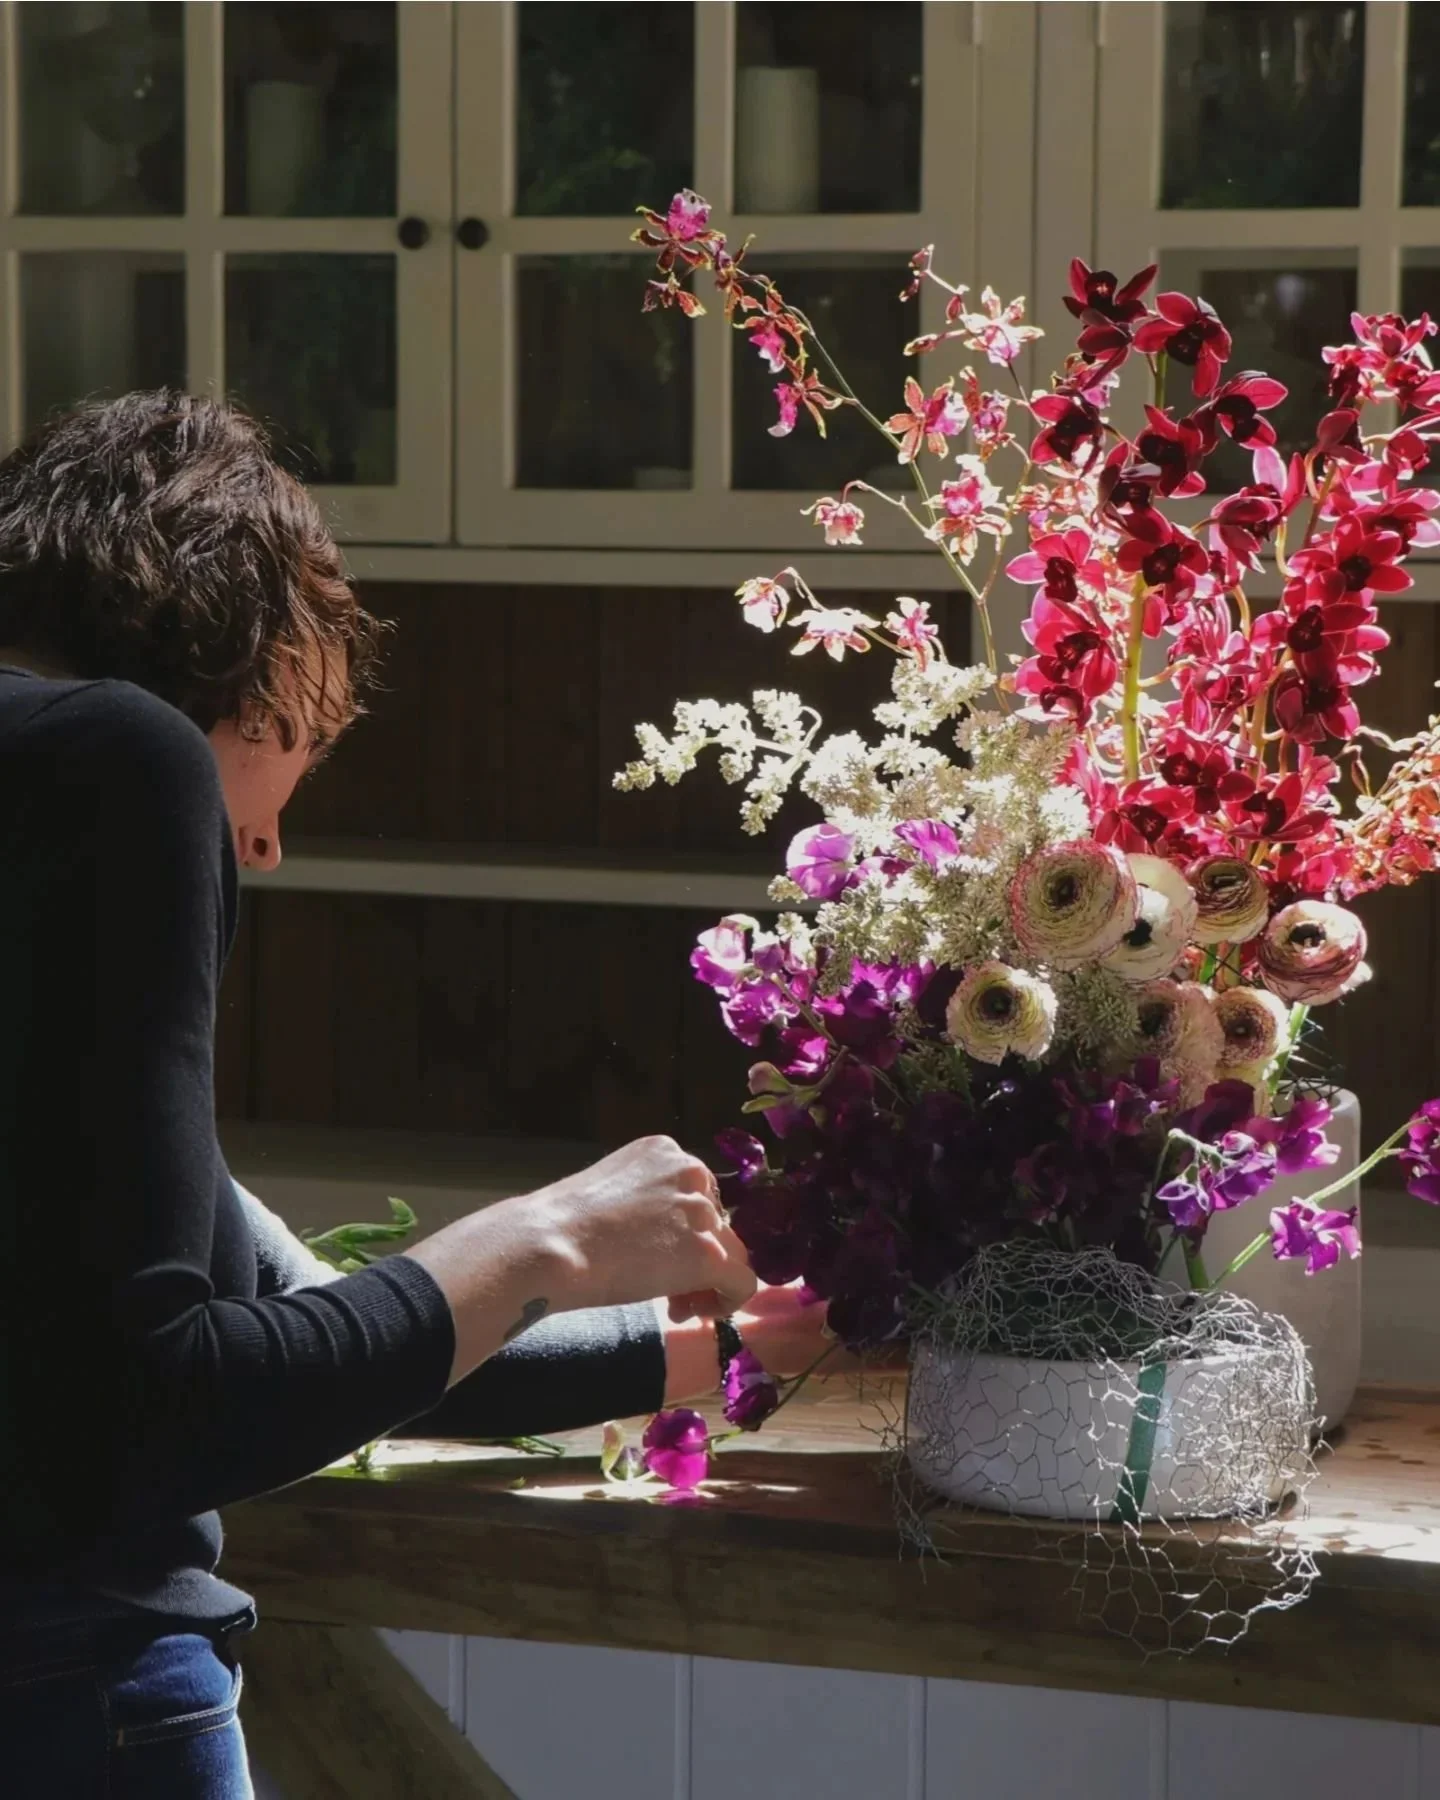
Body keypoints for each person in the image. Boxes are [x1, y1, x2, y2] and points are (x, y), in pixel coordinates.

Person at [0, 392, 829, 1798]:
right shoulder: (116, 760)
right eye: (295, 758)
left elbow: (292, 1316)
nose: (260, 844)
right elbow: (152, 1416)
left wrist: (731, 1349)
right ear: (251, 668)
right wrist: (548, 1233)